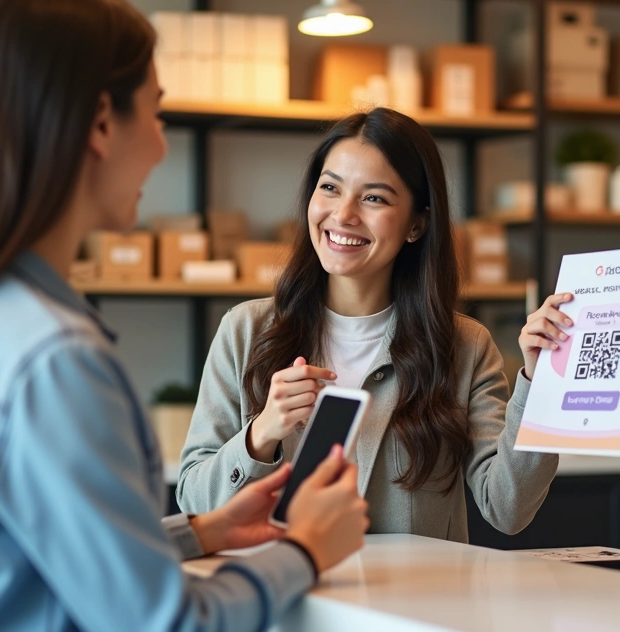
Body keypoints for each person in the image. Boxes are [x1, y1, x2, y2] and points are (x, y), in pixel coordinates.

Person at [0, 0, 368, 629]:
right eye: (157, 113)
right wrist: (304, 550)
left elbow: (25, 556)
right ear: (101, 124)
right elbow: (167, 623)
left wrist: (202, 531)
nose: (162, 146)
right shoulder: (52, 359)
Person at [178, 107, 566, 543]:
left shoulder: (465, 346)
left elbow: (508, 509)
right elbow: (194, 502)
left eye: (374, 198)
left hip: (413, 590)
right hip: (278, 583)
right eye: (330, 188)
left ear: (417, 223)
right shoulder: (245, 331)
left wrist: (541, 383)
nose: (343, 214)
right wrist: (263, 431)